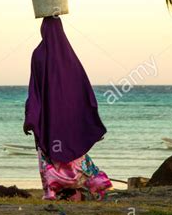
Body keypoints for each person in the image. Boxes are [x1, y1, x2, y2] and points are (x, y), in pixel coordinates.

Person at [24, 16, 112, 201]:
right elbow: (83, 86)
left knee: (49, 152)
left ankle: (52, 190)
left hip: (49, 120)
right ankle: (94, 182)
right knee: (75, 150)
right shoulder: (68, 54)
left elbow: (35, 89)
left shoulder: (38, 54)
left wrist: (32, 117)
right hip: (70, 119)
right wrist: (88, 116)